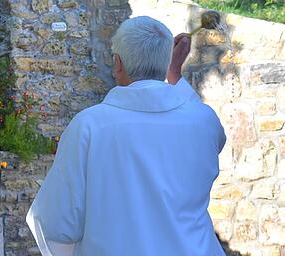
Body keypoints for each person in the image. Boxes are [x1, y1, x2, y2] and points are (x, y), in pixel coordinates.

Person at [26, 16, 227, 256]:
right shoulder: (203, 121)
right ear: (168, 64)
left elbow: (54, 223)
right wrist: (174, 75)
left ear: (117, 63)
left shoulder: (90, 126)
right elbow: (197, 116)